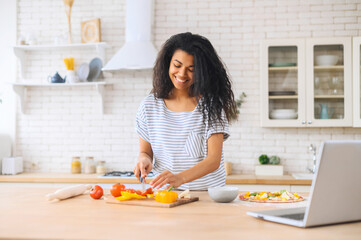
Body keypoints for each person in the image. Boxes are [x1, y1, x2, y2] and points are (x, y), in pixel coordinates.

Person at [133, 32, 238, 190]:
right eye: (177, 65)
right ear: (168, 63)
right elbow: (145, 152)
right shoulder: (149, 106)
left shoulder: (211, 105)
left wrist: (179, 178)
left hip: (205, 197)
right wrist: (144, 160)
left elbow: (213, 160)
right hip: (165, 195)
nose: (182, 74)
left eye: (191, 69)